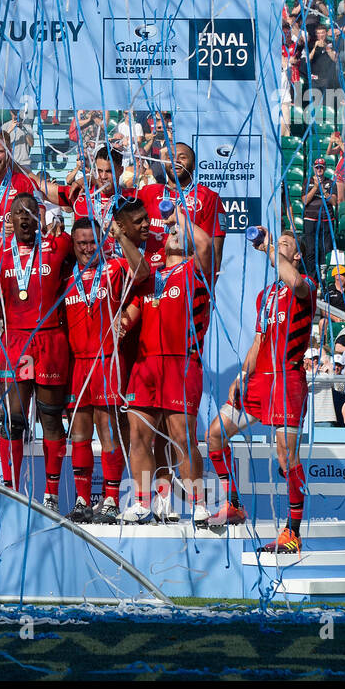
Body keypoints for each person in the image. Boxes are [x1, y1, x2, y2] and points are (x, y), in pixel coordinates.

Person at [207, 230, 317, 544]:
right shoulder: (265, 295)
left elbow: (293, 281)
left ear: (296, 256)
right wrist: (242, 376)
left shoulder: (305, 286)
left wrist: (269, 247)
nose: (279, 244)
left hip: (287, 382)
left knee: (287, 458)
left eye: (286, 244)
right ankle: (234, 504)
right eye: (278, 242)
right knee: (215, 434)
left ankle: (292, 532)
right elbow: (258, 340)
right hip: (259, 382)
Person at [123, 196, 216, 524]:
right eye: (170, 230)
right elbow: (131, 313)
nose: (173, 232)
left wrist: (179, 216)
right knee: (138, 435)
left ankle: (199, 504)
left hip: (181, 362)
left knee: (182, 437)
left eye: (180, 230)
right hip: (146, 363)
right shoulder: (149, 274)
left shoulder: (197, 269)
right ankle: (142, 502)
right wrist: (120, 324)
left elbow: (204, 245)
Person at [65, 202, 151, 523]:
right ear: (73, 246)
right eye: (81, 243)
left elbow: (142, 273)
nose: (87, 248)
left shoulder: (114, 269)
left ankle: (112, 499)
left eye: (92, 242)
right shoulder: (67, 279)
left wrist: (119, 237)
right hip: (78, 364)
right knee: (79, 433)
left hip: (107, 361)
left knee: (108, 429)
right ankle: (83, 500)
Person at [0, 193, 73, 503]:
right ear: (10, 219)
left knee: (50, 418)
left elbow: (90, 245)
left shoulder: (58, 245)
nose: (25, 217)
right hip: (16, 341)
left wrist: (63, 214)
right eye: (18, 213)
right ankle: (11, 490)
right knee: (14, 420)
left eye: (31, 212)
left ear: (40, 217)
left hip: (50, 341)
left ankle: (50, 494)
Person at [137, 142, 226, 271]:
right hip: (149, 281)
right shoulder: (147, 192)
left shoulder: (208, 197)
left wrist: (206, 289)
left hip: (185, 282)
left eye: (182, 157)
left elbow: (215, 251)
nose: (176, 161)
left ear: (194, 165)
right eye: (170, 157)